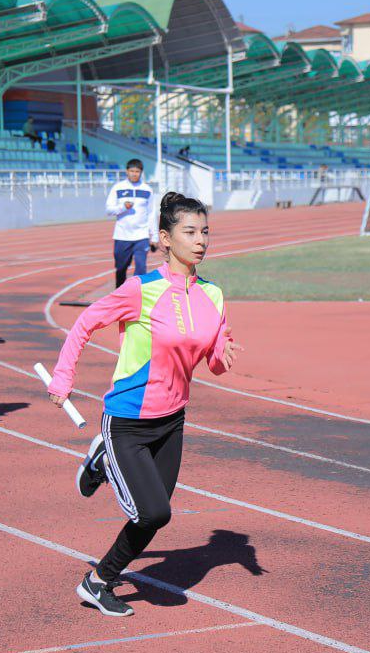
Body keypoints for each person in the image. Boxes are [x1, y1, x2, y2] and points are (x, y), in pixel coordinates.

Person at [47, 192, 243, 617]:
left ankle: (98, 581)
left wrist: (222, 354)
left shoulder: (213, 296)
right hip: (129, 419)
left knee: (153, 517)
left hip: (172, 420)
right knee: (153, 511)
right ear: (165, 239)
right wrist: (64, 377)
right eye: (189, 232)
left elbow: (213, 359)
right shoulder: (142, 289)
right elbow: (84, 323)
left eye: (205, 231)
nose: (201, 240)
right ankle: (103, 455)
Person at [105, 159, 158, 288]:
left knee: (141, 268)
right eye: (132, 171)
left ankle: (137, 296)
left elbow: (152, 213)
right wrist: (123, 207)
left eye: (137, 171)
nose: (134, 174)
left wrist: (154, 236)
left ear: (141, 173)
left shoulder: (147, 190)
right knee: (121, 268)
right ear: (127, 172)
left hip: (141, 236)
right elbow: (108, 210)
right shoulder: (118, 188)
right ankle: (119, 294)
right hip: (122, 236)